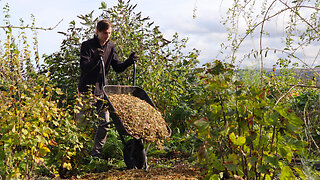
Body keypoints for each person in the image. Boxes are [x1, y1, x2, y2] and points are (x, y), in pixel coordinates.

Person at [77, 19, 138, 158]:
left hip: (102, 91)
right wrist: (95, 59)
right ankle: (78, 156)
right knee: (82, 124)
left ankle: (96, 155)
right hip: (87, 90)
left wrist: (129, 61)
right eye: (105, 33)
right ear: (98, 31)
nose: (107, 36)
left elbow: (117, 68)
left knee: (105, 123)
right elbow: (84, 68)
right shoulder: (87, 46)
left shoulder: (110, 46)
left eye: (109, 33)